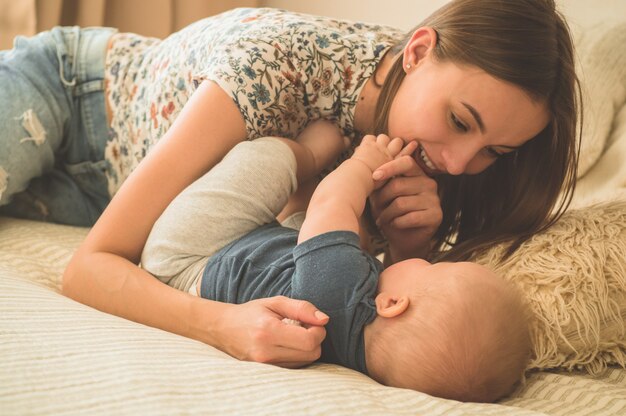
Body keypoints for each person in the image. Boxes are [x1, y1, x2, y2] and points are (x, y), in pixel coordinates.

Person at [0, 0, 581, 366]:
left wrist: (412, 244)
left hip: (103, 193)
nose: (456, 164)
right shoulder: (274, 67)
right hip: (72, 98)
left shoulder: (430, 154)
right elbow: (89, 268)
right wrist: (223, 326)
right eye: (459, 123)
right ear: (418, 52)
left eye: (493, 153)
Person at [140, 121, 531, 402]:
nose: (427, 261)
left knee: (267, 160)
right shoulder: (357, 353)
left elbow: (332, 203)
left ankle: (307, 151)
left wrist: (364, 164)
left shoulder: (338, 290)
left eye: (434, 267)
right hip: (254, 252)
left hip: (187, 255)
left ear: (392, 304)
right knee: (328, 238)